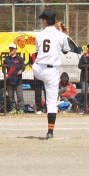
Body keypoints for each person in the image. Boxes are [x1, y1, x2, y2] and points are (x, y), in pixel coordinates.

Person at [32, 8, 69, 139]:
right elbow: (66, 51)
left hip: (37, 68)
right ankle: (50, 132)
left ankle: (41, 95)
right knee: (52, 103)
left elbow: (40, 49)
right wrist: (62, 34)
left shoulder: (39, 35)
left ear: (45, 21)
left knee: (43, 83)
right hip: (51, 70)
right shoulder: (61, 35)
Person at [3, 43, 26, 114]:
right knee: (10, 96)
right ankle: (13, 108)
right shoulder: (7, 59)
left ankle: (21, 109)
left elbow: (23, 67)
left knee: (20, 95)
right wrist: (5, 73)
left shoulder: (20, 59)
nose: (11, 50)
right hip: (10, 81)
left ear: (16, 50)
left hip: (18, 80)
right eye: (10, 49)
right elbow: (3, 68)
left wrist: (21, 70)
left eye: (13, 49)